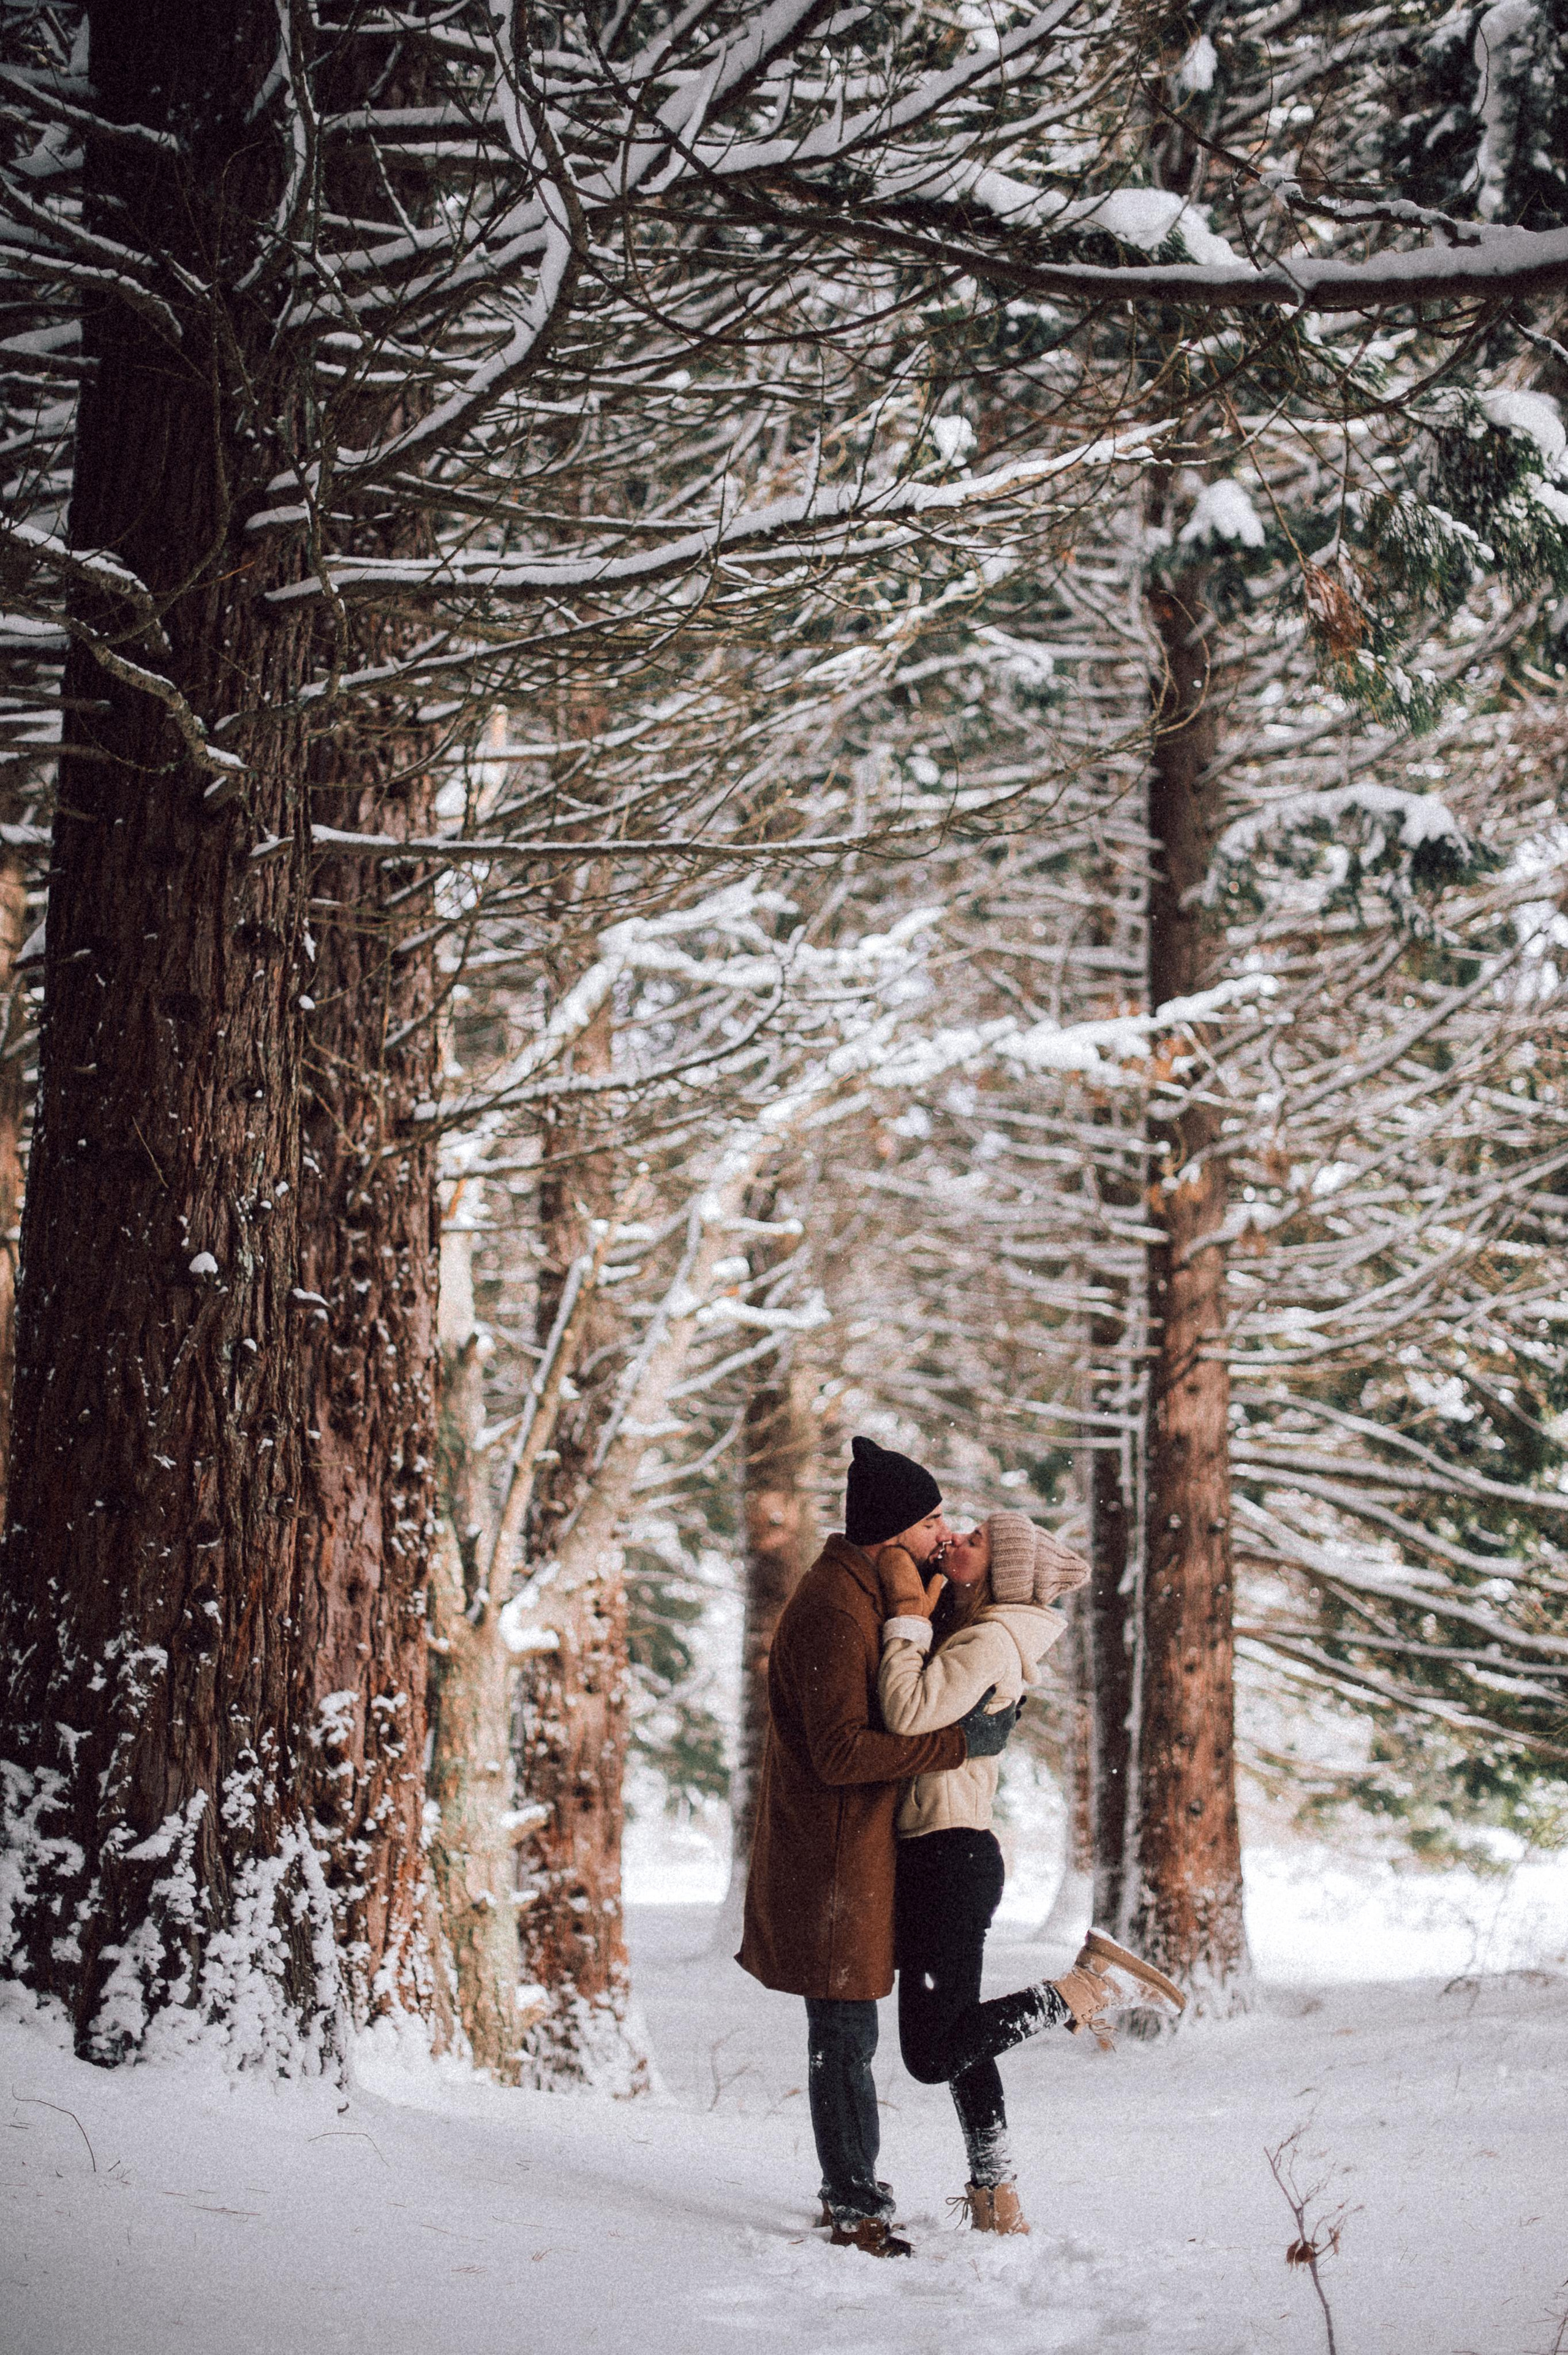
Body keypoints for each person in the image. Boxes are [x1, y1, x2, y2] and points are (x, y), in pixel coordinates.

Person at [737, 1435, 1020, 2258]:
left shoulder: (875, 1594)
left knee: (857, 2027)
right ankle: (855, 2204)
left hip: (863, 1849)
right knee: (845, 2031)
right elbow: (839, 1751)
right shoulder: (833, 1606)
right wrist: (957, 1744)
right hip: (830, 1855)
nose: (944, 1531)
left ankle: (857, 2194)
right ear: (892, 1529)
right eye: (931, 1518)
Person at [876, 1512, 1186, 2237]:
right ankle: (996, 2195)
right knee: (963, 2036)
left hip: (945, 1855)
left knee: (929, 2054)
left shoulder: (987, 1641)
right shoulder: (981, 1629)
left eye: (976, 1539)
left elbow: (904, 1707)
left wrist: (903, 1621)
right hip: (951, 1853)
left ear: (1001, 1573)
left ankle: (1082, 1988)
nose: (956, 1539)